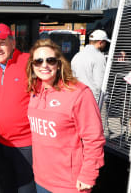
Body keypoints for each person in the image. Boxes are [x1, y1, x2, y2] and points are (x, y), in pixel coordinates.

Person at [26, 39, 105, 193]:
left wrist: (89, 175)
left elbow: (94, 138)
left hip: (69, 184)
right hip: (41, 179)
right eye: (38, 61)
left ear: (59, 63)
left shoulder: (79, 93)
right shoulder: (34, 91)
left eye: (50, 60)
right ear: (32, 65)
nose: (44, 65)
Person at [0, 23, 36, 193]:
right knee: (6, 187)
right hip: (0, 144)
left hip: (27, 145)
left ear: (13, 43)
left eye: (2, 43)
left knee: (26, 190)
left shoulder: (29, 62)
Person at [71, 29, 110, 102]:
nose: (105, 46)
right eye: (105, 43)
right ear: (101, 42)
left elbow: (73, 78)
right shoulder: (99, 57)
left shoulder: (77, 55)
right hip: (93, 100)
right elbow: (100, 84)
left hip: (77, 97)